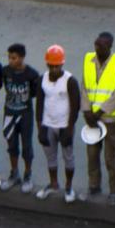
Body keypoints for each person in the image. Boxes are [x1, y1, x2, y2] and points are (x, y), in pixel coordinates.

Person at [78, 32, 115, 200]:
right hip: (92, 119)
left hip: (111, 119)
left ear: (110, 46)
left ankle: (114, 191)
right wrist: (86, 111)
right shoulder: (88, 59)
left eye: (102, 46)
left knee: (111, 158)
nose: (97, 48)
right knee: (92, 155)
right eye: (96, 45)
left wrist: (99, 112)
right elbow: (84, 87)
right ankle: (93, 186)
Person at [34, 46, 79, 200]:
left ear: (62, 64)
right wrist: (40, 128)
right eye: (51, 66)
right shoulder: (42, 79)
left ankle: (68, 187)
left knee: (68, 157)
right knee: (50, 157)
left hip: (64, 126)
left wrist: (70, 128)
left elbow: (75, 106)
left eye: (57, 66)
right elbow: (39, 104)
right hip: (48, 125)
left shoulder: (70, 81)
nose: (54, 69)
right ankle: (53, 184)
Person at [0, 42, 42, 191]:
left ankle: (27, 175)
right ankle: (14, 174)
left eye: (14, 58)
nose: (11, 61)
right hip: (10, 114)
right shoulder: (5, 72)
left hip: (25, 115)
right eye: (9, 58)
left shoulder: (32, 74)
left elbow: (35, 93)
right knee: (11, 146)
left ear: (22, 57)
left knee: (27, 146)